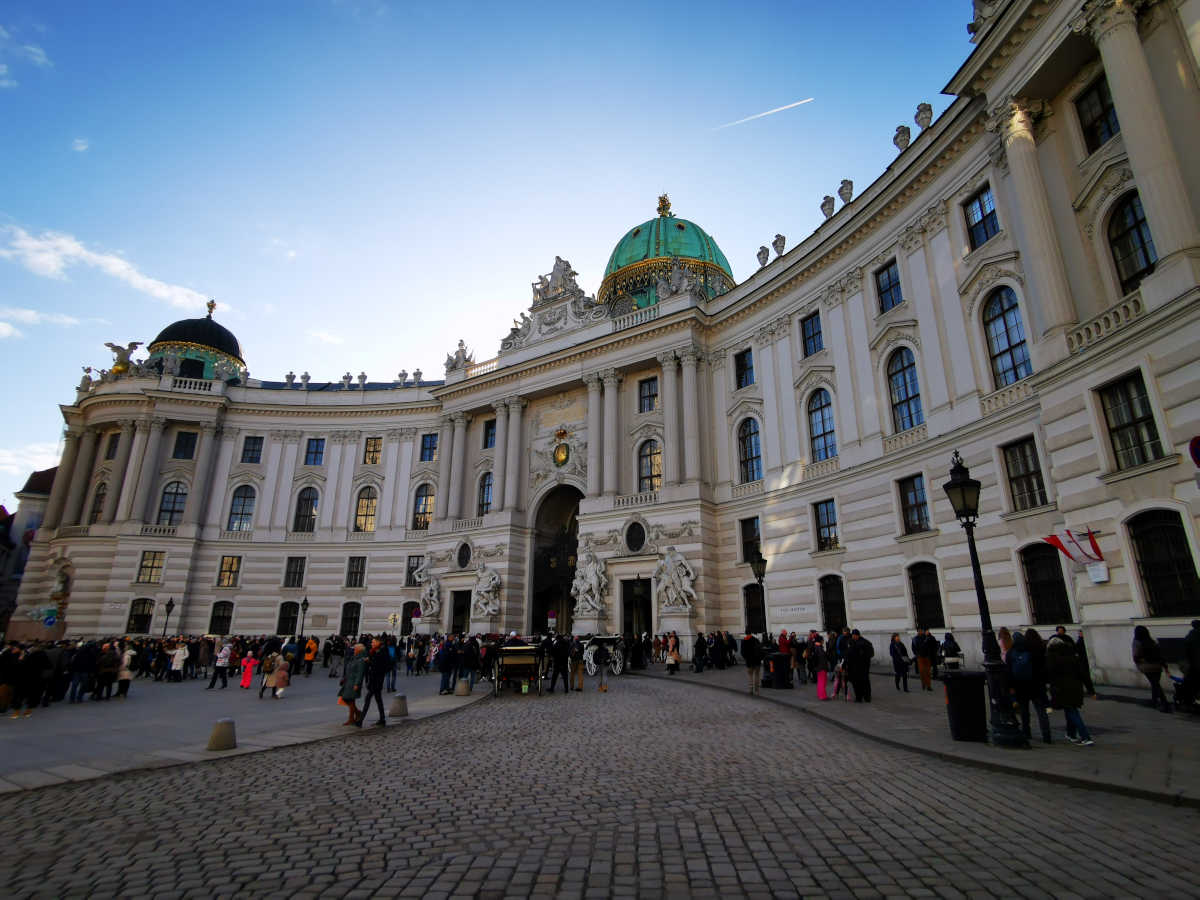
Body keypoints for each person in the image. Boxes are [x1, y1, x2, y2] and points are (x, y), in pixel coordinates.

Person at [1046, 628, 1093, 745]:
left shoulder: (1053, 658)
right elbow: (1083, 674)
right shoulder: (1072, 656)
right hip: (1076, 688)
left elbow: (1049, 675)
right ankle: (1071, 734)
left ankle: (1086, 737)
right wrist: (1091, 690)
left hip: (1062, 689)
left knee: (1072, 711)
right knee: (1070, 710)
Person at [1131, 625, 1172, 713]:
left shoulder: (1137, 642)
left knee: (1155, 685)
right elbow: (1160, 654)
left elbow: (1136, 655)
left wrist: (1138, 662)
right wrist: (1165, 667)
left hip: (1147, 666)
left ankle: (1165, 704)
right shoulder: (1152, 641)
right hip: (1157, 666)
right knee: (1155, 683)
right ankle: (1154, 701)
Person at [340, 644, 367, 725]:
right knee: (347, 699)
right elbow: (348, 669)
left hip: (353, 683)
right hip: (348, 682)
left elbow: (360, 673)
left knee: (350, 699)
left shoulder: (361, 660)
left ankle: (352, 718)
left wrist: (357, 684)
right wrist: (344, 679)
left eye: (355, 649)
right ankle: (357, 713)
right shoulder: (354, 658)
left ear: (359, 650)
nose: (354, 650)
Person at [364, 638, 390, 725]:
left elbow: (379, 666)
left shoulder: (381, 652)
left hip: (376, 680)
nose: (371, 643)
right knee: (378, 700)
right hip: (375, 680)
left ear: (378, 642)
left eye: (373, 642)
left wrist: (370, 661)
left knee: (368, 699)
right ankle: (382, 719)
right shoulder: (374, 651)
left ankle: (360, 720)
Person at [845, 629, 874, 703]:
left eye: (855, 635)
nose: (854, 636)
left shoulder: (865, 643)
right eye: (853, 635)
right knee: (856, 683)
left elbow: (870, 654)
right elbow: (848, 654)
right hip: (853, 668)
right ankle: (859, 697)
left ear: (858, 635)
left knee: (865, 682)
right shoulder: (850, 642)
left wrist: (863, 656)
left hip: (863, 667)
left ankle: (867, 697)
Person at [740, 631, 763, 697]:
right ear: (751, 633)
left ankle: (751, 689)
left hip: (749, 661)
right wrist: (760, 658)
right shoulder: (756, 640)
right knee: (757, 675)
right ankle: (757, 691)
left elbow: (742, 652)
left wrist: (746, 658)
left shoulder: (744, 641)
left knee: (750, 675)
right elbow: (760, 649)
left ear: (745, 633)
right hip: (757, 661)